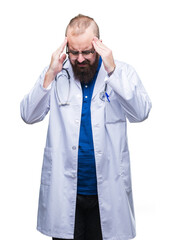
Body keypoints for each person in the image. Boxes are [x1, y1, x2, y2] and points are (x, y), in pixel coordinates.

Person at [20, 14, 152, 240]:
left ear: (98, 45)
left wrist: (113, 72)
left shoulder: (121, 72)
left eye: (87, 52)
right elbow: (28, 115)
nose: (80, 59)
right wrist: (50, 75)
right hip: (65, 192)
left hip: (107, 191)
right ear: (66, 48)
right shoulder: (56, 73)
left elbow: (141, 112)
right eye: (74, 52)